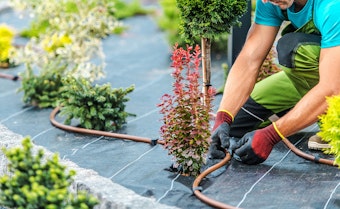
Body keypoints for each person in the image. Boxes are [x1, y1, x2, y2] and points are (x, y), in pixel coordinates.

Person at [209, 0, 340, 164]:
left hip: (333, 79)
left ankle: (332, 126)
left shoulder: (332, 6)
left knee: (295, 49)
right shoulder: (271, 0)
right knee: (236, 122)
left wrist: (272, 134)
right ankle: (303, 109)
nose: (264, 0)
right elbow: (249, 60)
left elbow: (332, 88)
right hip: (319, 73)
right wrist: (223, 117)